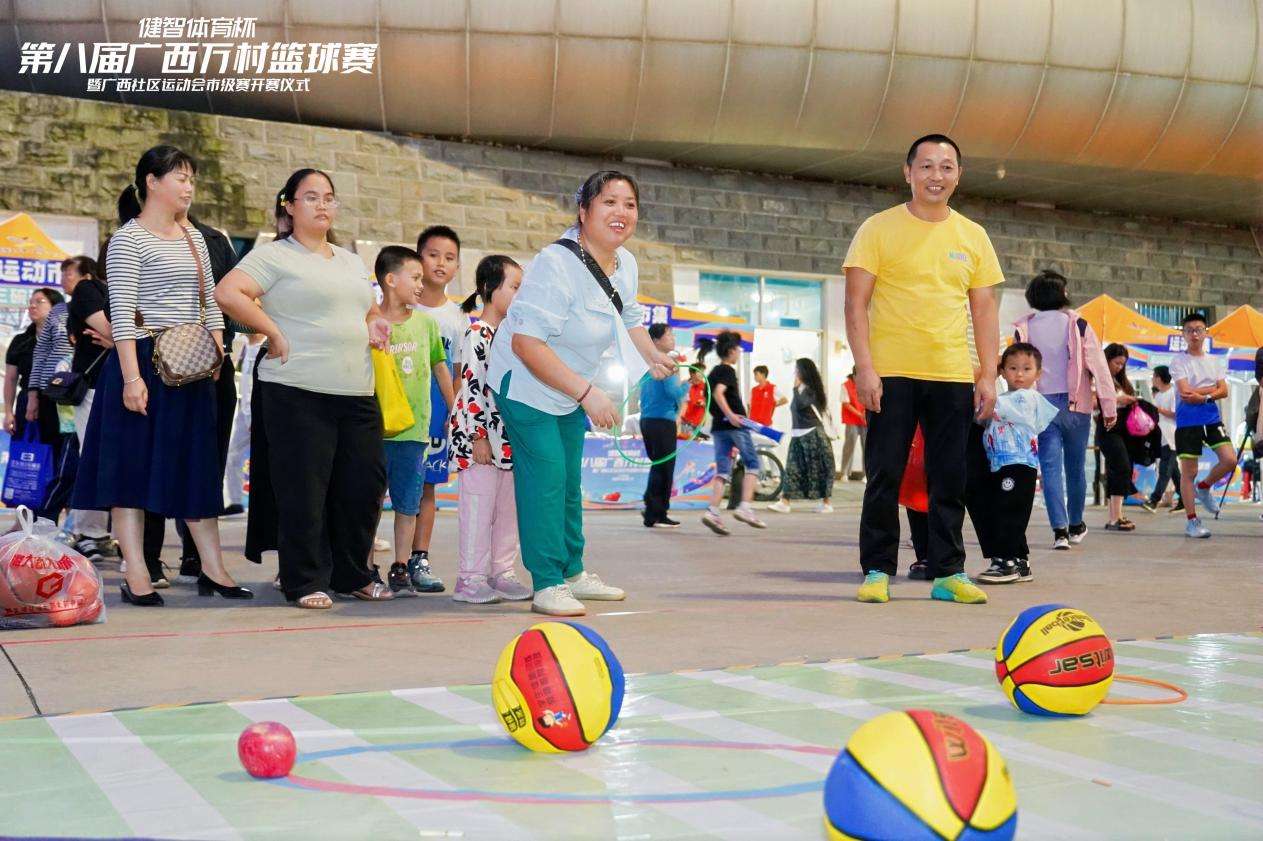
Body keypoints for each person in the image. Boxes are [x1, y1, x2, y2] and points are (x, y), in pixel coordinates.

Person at [487, 170, 675, 616]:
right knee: (547, 479)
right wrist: (588, 391)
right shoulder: (556, 263)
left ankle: (572, 572)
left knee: (570, 482)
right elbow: (525, 343)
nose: (621, 213)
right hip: (527, 384)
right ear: (583, 211)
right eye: (609, 202)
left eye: (629, 204)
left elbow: (628, 315)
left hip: (569, 386)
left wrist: (652, 357)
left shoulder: (625, 263)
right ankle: (547, 581)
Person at [72, 144, 249, 606]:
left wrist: (217, 350)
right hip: (144, 361)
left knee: (196, 468)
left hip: (191, 365)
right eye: (181, 177)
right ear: (152, 182)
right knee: (130, 470)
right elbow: (124, 315)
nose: (189, 187)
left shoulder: (194, 237)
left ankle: (214, 567)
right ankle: (136, 574)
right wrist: (132, 378)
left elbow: (211, 301)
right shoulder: (129, 240)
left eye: (192, 179)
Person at [216, 167, 390, 608]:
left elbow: (367, 310)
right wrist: (272, 331)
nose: (323, 205)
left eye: (329, 197)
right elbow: (228, 292)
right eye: (311, 197)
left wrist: (376, 323)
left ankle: (353, 574)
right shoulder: (275, 256)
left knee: (362, 486)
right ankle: (303, 580)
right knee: (304, 490)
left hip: (356, 390)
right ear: (289, 207)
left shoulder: (350, 260)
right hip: (296, 390)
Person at [843, 133, 1001, 605]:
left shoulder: (972, 236)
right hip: (890, 373)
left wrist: (988, 374)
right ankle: (876, 569)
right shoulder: (878, 228)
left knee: (949, 476)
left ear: (958, 175)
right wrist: (864, 368)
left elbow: (985, 309)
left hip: (951, 373)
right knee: (885, 474)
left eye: (946, 167)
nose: (937, 175)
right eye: (927, 166)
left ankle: (949, 572)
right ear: (908, 172)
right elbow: (856, 305)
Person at [1012, 269, 1116, 548]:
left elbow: (1016, 371)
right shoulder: (1079, 324)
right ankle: (1075, 523)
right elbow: (1099, 367)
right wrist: (1108, 405)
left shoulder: (1024, 327)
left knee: (1049, 469)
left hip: (1041, 405)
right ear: (1061, 294)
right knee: (1076, 468)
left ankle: (1059, 531)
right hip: (1076, 404)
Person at [449, 254, 532, 603]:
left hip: (509, 442)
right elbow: (469, 386)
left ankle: (501, 572)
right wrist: (478, 436)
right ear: (488, 288)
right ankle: (470, 578)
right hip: (481, 440)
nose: (520, 294)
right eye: (514, 287)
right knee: (479, 509)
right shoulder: (476, 333)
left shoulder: (511, 337)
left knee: (508, 511)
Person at [373, 245, 454, 594]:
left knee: (408, 504)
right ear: (391, 280)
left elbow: (440, 367)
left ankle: (401, 566)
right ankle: (365, 568)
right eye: (415, 277)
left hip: (414, 433)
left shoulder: (426, 324)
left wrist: (454, 407)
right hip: (375, 433)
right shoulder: (371, 322)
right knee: (370, 503)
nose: (421, 285)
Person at [408, 224, 466, 593]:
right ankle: (362, 561)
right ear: (418, 258)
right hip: (395, 413)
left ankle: (418, 559)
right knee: (374, 487)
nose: (440, 263)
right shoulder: (399, 303)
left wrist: (453, 415)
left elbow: (457, 375)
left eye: (449, 257)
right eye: (432, 254)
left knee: (426, 488)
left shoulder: (457, 318)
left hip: (435, 415)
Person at [974, 343, 1058, 584]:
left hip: (1017, 464)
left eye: (1026, 369)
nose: (1019, 374)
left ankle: (1005, 561)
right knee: (1010, 508)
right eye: (1012, 368)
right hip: (1003, 464)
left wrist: (981, 381)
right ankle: (1020, 561)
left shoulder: (1027, 398)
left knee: (1008, 511)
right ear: (1003, 371)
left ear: (1038, 374)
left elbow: (991, 409)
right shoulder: (1004, 397)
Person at [1171, 312, 1237, 538]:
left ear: (1205, 332)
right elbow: (1184, 392)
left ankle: (1205, 487)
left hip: (1211, 417)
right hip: (1187, 421)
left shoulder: (1215, 361)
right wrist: (1212, 389)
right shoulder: (1179, 361)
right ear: (1183, 334)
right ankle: (1192, 521)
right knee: (1189, 471)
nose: (1194, 334)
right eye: (1189, 330)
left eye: (1198, 329)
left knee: (1230, 459)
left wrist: (1204, 395)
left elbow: (1225, 391)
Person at [700, 330, 768, 535]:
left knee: (722, 471)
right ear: (730, 351)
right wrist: (730, 415)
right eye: (738, 349)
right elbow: (720, 393)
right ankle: (745, 507)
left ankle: (713, 511)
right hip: (734, 425)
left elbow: (713, 397)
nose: (739, 352)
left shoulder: (712, 373)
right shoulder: (726, 371)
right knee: (753, 464)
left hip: (719, 429)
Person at [768, 358, 836, 514]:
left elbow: (801, 404)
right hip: (798, 435)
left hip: (813, 435)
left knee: (819, 469)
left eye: (797, 370)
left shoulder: (811, 390)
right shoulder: (801, 389)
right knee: (792, 469)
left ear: (804, 372)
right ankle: (785, 501)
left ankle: (826, 503)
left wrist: (795, 388)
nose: (795, 373)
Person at [639, 324, 689, 528]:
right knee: (665, 467)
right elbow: (673, 393)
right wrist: (687, 384)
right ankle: (657, 513)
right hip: (663, 421)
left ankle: (653, 509)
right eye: (668, 335)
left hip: (648, 420)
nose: (673, 338)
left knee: (658, 465)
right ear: (656, 340)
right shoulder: (666, 364)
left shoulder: (646, 363)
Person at [1098, 343, 1139, 532]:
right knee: (1120, 467)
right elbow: (1091, 403)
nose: (1119, 367)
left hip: (1124, 430)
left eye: (1122, 364)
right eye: (1116, 363)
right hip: (1108, 429)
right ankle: (1114, 518)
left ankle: (1118, 515)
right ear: (1106, 360)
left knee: (1123, 469)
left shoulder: (1120, 381)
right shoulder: (1097, 379)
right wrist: (1118, 400)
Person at [222, 332, 264, 512]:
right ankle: (236, 500)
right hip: (243, 410)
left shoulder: (264, 346)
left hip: (257, 411)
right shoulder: (242, 344)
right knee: (233, 456)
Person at [1144, 365, 1183, 512]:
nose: (1152, 379)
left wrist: (1157, 410)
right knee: (1173, 471)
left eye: (1153, 376)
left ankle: (1154, 500)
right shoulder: (1159, 395)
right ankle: (1184, 500)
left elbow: (1176, 414)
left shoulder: (1173, 393)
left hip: (1171, 437)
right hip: (1161, 437)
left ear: (1159, 378)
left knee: (1165, 469)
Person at [838, 369, 867, 480]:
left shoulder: (866, 384)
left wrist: (865, 413)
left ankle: (867, 474)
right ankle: (844, 473)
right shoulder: (846, 385)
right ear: (854, 375)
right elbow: (846, 403)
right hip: (851, 420)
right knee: (849, 446)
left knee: (867, 447)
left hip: (865, 421)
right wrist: (859, 414)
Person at [679, 355, 708, 439]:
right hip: (685, 423)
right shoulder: (685, 385)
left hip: (700, 424)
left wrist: (704, 403)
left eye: (703, 372)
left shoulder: (705, 387)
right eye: (700, 372)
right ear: (692, 373)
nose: (702, 374)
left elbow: (710, 403)